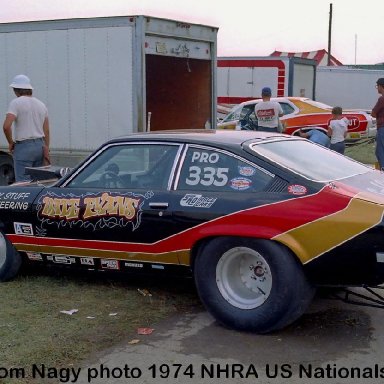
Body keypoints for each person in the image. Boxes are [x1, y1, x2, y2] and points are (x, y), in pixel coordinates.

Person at [3, 74, 50, 182]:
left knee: (23, 183)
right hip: (40, 146)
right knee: (38, 181)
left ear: (16, 90)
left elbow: (6, 126)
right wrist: (46, 147)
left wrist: (10, 142)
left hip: (24, 147)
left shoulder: (16, 103)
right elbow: (46, 131)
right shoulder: (41, 105)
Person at [372, 78, 384, 170]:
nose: (377, 88)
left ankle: (383, 169)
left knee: (380, 151)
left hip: (382, 127)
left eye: (377, 86)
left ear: (381, 86)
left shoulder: (382, 99)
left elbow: (373, 112)